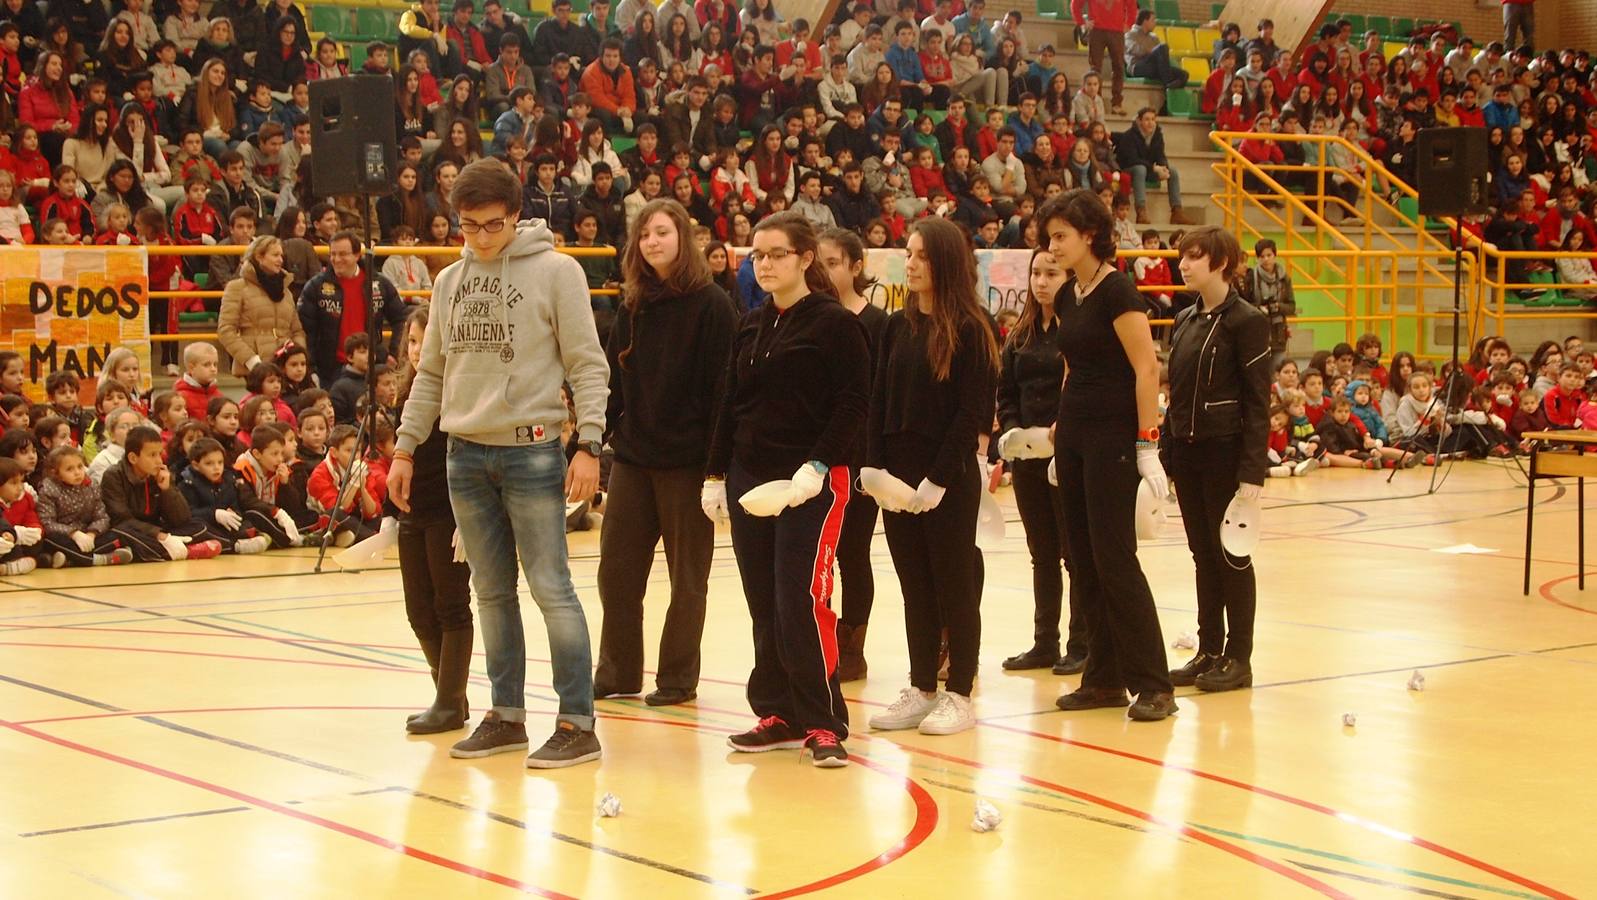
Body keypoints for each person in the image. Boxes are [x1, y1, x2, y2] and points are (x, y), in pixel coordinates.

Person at [388, 159, 608, 768]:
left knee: (551, 588)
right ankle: (506, 715)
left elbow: (588, 363)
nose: (481, 239)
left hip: (534, 450)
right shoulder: (449, 282)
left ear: (517, 216)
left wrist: (588, 443)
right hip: (463, 453)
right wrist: (406, 447)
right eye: (468, 228)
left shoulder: (558, 272)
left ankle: (577, 721)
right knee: (490, 591)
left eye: (492, 226)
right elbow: (430, 373)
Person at [705, 211, 869, 768]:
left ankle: (824, 721)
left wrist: (819, 464)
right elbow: (729, 402)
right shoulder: (749, 324)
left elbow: (852, 403)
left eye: (776, 254)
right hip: (754, 482)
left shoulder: (834, 324)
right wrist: (715, 474)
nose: (766, 263)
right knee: (763, 601)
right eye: (758, 255)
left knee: (802, 598)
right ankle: (776, 710)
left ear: (804, 258)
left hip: (812, 482)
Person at [1039, 189, 1175, 722]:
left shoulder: (1119, 291)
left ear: (1089, 235)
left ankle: (1154, 683)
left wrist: (1147, 444)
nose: (1052, 247)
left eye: (1060, 237)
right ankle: (1104, 678)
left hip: (1114, 438)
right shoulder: (1070, 294)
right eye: (1049, 237)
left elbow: (1146, 369)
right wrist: (1059, 427)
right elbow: (1073, 365)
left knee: (1116, 559)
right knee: (1083, 560)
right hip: (1074, 435)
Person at [593, 198, 736, 707]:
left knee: (687, 580)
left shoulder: (713, 305)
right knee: (616, 572)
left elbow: (725, 391)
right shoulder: (633, 305)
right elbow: (611, 382)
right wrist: (600, 438)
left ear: (683, 238)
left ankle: (677, 678)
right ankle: (618, 672)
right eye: (644, 235)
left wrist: (717, 469)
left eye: (662, 232)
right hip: (634, 459)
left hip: (689, 465)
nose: (652, 242)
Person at [863, 216, 996, 737]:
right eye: (908, 253)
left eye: (919, 255)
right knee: (914, 585)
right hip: (896, 481)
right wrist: (874, 468)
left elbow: (971, 414)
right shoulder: (897, 325)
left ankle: (959, 691)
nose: (910, 263)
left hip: (947, 481)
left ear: (944, 261)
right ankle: (921, 687)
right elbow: (877, 400)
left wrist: (938, 479)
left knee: (954, 586)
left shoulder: (971, 327)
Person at [1163, 227, 1271, 692]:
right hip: (1187, 454)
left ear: (1221, 262)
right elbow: (1177, 395)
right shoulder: (1184, 319)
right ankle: (1209, 650)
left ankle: (1238, 658)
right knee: (1202, 555)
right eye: (1182, 257)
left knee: (1231, 555)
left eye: (1194, 257)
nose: (1184, 265)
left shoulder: (1247, 321)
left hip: (1225, 453)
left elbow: (1257, 401)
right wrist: (1166, 455)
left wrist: (1252, 471)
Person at [996, 246, 1086, 674]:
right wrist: (1011, 429)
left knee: (1074, 552)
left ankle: (1081, 643)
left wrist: (1060, 427)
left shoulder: (1076, 330)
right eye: (1036, 273)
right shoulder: (1021, 334)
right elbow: (1006, 391)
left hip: (1066, 455)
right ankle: (1044, 641)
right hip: (1027, 458)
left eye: (1051, 273)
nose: (1042, 281)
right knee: (1042, 552)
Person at [390, 303, 474, 735]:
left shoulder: (457, 392)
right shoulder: (408, 393)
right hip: (413, 513)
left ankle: (449, 701)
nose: (417, 350)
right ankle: (449, 697)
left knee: (451, 606)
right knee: (418, 611)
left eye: (425, 340)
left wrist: (470, 518)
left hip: (449, 511)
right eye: (411, 341)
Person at [817, 227, 888, 681]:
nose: (823, 272)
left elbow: (881, 395)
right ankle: (817, 636)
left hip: (861, 456)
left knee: (854, 553)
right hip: (816, 456)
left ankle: (853, 642)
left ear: (855, 267)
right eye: (817, 264)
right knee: (816, 552)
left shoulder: (880, 324)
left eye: (832, 263)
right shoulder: (813, 316)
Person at [297, 230, 408, 387]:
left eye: (343, 254)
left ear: (357, 255)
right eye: (333, 254)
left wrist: (394, 352)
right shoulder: (316, 286)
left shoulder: (378, 283)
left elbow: (401, 318)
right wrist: (311, 367)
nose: (336, 259)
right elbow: (305, 329)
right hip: (329, 370)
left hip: (372, 366)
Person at [218, 235, 308, 377]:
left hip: (285, 369)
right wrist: (252, 361)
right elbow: (225, 330)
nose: (281, 260)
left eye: (281, 255)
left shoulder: (286, 291)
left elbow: (297, 330)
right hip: (254, 371)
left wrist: (298, 356)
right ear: (259, 257)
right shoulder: (237, 287)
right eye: (275, 255)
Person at [1116, 107, 1196, 225]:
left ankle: (1176, 212)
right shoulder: (1129, 136)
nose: (1151, 123)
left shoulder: (1157, 135)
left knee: (1172, 171)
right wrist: (1153, 168)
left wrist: (1163, 168)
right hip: (1130, 169)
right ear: (1139, 121)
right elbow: (1132, 160)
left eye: (1153, 119)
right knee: (1140, 169)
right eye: (1147, 119)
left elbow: (1160, 155)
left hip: (1148, 169)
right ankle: (1141, 211)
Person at [1071, 0, 1136, 116]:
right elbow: (1075, 4)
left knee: (1119, 67)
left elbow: (1132, 6)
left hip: (1117, 31)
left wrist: (1129, 23)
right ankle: (1096, 102)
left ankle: (1117, 103)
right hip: (1097, 31)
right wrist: (1082, 23)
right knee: (1095, 69)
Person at [1242, 238, 1295, 371]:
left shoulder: (1284, 278)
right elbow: (1244, 305)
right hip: (1258, 332)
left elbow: (1291, 306)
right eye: (1262, 256)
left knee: (1278, 371)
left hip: (1278, 333)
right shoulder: (1251, 277)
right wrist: (1259, 308)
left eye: (1269, 255)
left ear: (1275, 255)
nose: (1266, 259)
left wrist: (1278, 307)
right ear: (1257, 258)